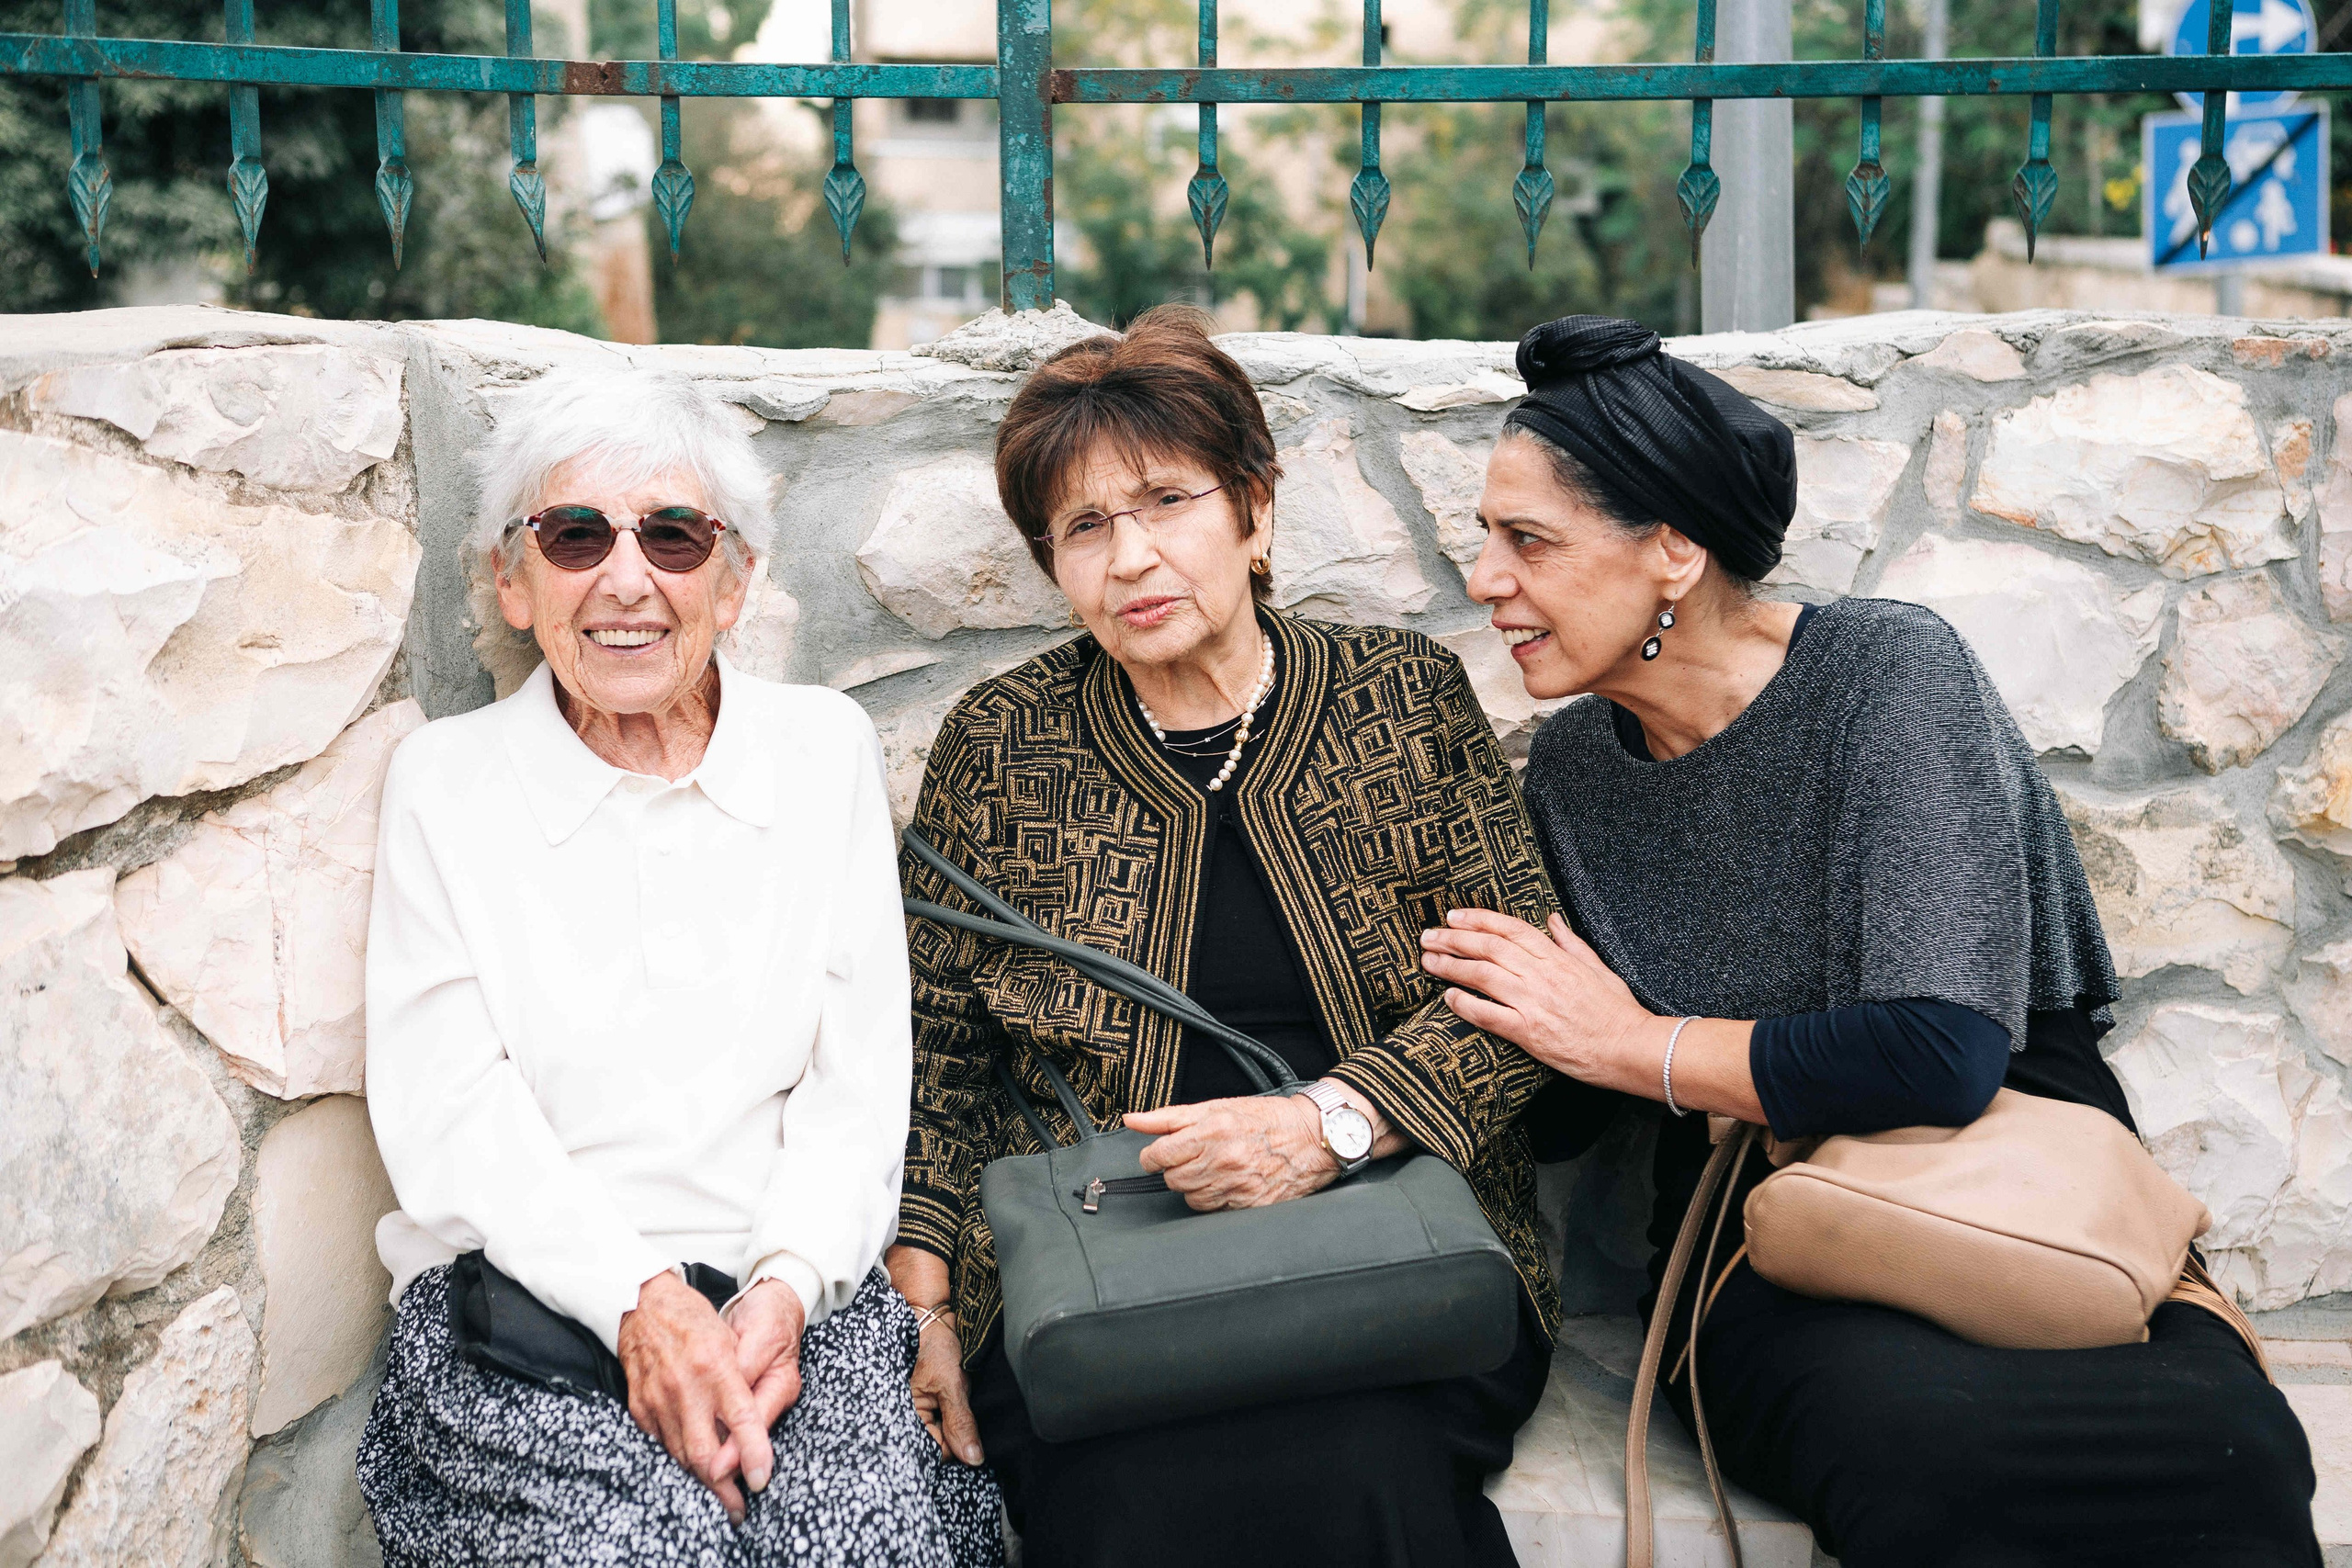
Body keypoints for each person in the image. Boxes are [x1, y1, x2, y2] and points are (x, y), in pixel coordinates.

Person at [1419, 313, 2321, 1568]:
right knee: (1921, 1446)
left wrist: (1637, 1045)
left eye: (1527, 541)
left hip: (2025, 1177)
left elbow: (1940, 1052)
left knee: (2224, 1451)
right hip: (1767, 1234)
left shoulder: (1886, 675)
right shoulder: (1575, 767)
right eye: (1484, 538)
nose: (1485, 579)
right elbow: (1570, 1106)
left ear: (1672, 551)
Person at [887, 306, 1560, 1568]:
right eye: (1084, 527)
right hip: (1094, 1272)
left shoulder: (1398, 697)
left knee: (1363, 1472)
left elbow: (1526, 996)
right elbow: (938, 1054)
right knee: (1130, 1498)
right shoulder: (1005, 746)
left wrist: (1327, 1127)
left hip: (1387, 1234)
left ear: (1254, 510)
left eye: (1166, 502)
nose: (1130, 557)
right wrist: (924, 1301)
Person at [356, 369, 1000, 1567]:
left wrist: (785, 1292)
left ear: (737, 577)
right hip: (523, 1303)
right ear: (513, 577)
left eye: (672, 534)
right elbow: (453, 1116)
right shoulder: (445, 785)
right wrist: (640, 1303)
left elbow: (856, 1091)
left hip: (790, 1294)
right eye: (575, 535)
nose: (626, 578)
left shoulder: (821, 755)